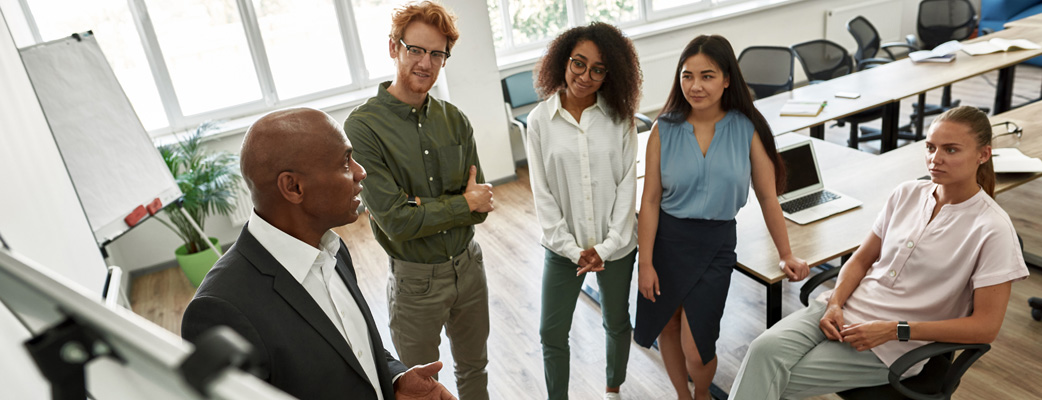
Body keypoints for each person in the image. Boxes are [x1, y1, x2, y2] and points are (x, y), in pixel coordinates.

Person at [729, 105, 1029, 399]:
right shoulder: (907, 193)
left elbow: (986, 328)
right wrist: (835, 303)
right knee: (761, 352)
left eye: (950, 150)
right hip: (839, 310)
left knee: (769, 377)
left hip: (890, 347)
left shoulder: (992, 229)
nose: (935, 159)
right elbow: (860, 260)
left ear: (983, 154)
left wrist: (894, 330)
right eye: (930, 147)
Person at [181, 108, 455, 400]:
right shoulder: (220, 310)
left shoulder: (333, 250)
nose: (361, 172)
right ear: (294, 187)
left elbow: (354, 351)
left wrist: (395, 380)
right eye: (345, 162)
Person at [634, 35, 809, 400]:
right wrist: (645, 262)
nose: (695, 86)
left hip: (715, 244)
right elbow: (649, 200)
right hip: (667, 241)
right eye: (687, 75)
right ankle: (684, 397)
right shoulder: (662, 129)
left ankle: (701, 392)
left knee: (698, 344)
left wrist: (786, 253)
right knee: (668, 324)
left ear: (727, 79)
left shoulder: (745, 128)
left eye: (707, 76)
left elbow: (766, 196)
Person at [343, 2, 491, 398]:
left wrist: (426, 205)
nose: (426, 63)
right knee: (419, 389)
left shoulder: (455, 119)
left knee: (475, 368)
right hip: (415, 283)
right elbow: (396, 221)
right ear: (394, 48)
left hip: (469, 267)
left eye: (437, 53)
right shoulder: (363, 127)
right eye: (416, 50)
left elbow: (482, 206)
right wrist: (460, 204)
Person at [526, 22, 642, 400]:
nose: (585, 76)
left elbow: (628, 186)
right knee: (550, 333)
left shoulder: (620, 119)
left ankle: (613, 389)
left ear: (610, 74)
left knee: (617, 321)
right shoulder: (539, 121)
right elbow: (542, 193)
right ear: (563, 60)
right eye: (579, 63)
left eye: (598, 69)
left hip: (617, 247)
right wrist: (572, 248)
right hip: (563, 250)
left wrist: (606, 247)